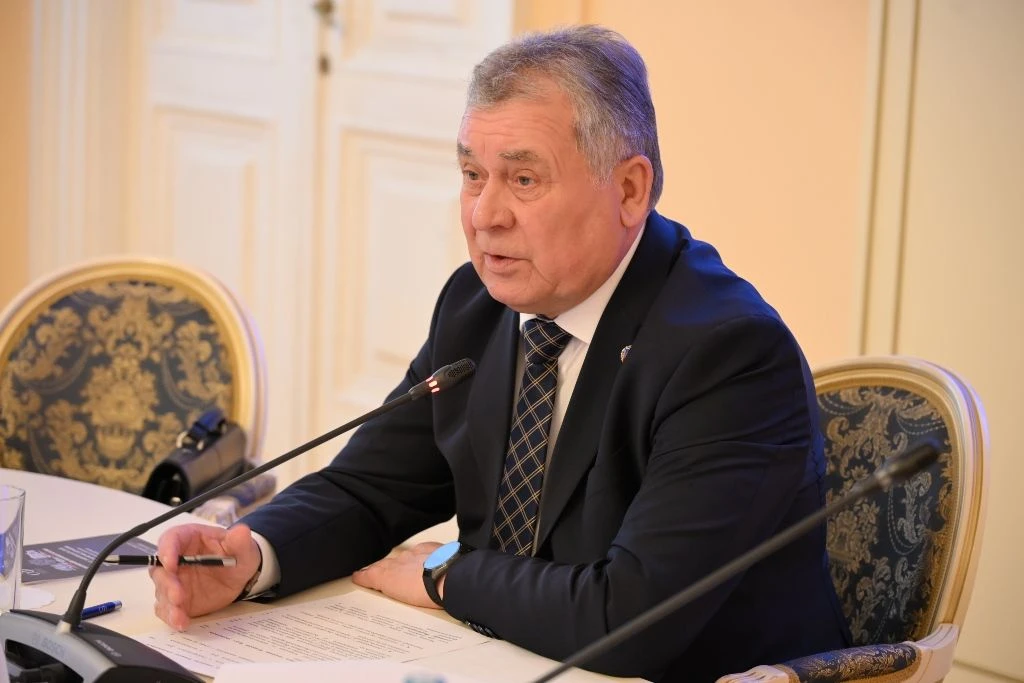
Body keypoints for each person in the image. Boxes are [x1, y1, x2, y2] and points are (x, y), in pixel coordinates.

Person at [149, 25, 851, 682]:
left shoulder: (727, 354)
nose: (484, 215)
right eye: (471, 174)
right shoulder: (478, 306)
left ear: (629, 189)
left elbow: (632, 616)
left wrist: (447, 573)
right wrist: (251, 554)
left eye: (523, 180)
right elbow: (373, 487)